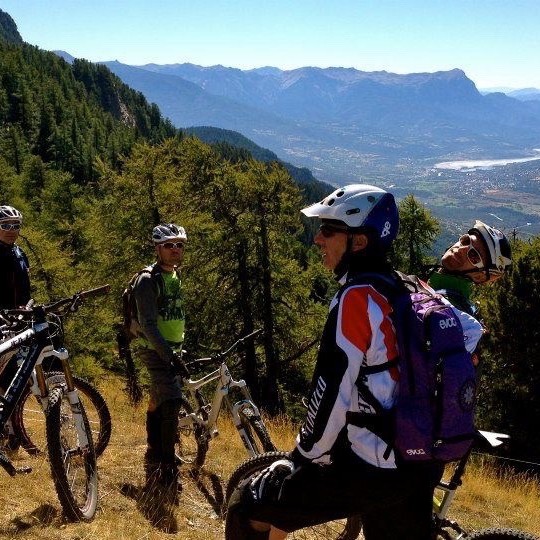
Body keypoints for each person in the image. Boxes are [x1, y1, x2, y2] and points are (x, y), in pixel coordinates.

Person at [225, 185, 483, 540]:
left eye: (329, 230)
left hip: (372, 468)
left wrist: (302, 458)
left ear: (359, 243)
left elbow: (331, 391)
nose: (318, 239)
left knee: (248, 506)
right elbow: (472, 331)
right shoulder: (413, 287)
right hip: (419, 461)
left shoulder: (356, 299)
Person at [132, 223, 187, 495]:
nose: (175, 249)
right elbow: (148, 324)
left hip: (171, 349)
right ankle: (167, 468)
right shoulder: (146, 280)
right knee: (172, 401)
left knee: (158, 400)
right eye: (169, 245)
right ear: (157, 248)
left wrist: (177, 350)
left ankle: (154, 450)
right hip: (154, 350)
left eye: (179, 244)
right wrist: (169, 356)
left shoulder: (174, 275)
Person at [428, 220, 512, 316]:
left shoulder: (447, 311)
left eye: (474, 256)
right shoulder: (432, 290)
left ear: (479, 277)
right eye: (466, 241)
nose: (461, 249)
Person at [0, 205, 30, 310]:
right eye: (5, 226)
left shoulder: (19, 252)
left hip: (22, 318)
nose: (11, 230)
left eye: (16, 226)